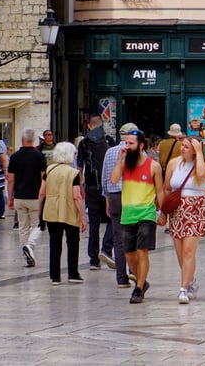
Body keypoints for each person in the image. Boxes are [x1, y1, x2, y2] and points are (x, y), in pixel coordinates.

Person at [109, 128, 164, 303]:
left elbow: (160, 191)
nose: (127, 146)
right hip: (127, 215)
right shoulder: (125, 164)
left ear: (141, 145)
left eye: (131, 143)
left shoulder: (153, 166)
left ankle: (138, 289)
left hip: (146, 214)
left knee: (142, 252)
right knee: (129, 255)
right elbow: (114, 180)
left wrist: (163, 213)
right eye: (126, 143)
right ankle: (142, 280)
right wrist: (119, 159)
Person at [166, 132, 205, 303]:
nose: (182, 149)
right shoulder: (173, 163)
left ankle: (183, 288)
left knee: (188, 251)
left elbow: (201, 174)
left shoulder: (202, 165)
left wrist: (200, 153)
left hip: (195, 209)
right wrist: (163, 212)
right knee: (179, 253)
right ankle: (191, 280)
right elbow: (166, 188)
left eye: (186, 147)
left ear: (194, 150)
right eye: (182, 145)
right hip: (177, 210)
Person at [38, 141, 86, 284]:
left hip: (51, 209)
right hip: (69, 210)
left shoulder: (49, 170)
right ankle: (73, 273)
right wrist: (83, 217)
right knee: (73, 242)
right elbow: (77, 196)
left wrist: (40, 211)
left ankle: (55, 276)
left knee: (54, 243)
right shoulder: (74, 173)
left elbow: (42, 193)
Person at [100, 123, 136, 287]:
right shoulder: (136, 152)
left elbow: (105, 178)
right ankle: (134, 273)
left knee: (118, 239)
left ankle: (121, 279)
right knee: (133, 236)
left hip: (114, 197)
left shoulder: (109, 151)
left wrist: (107, 199)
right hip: (132, 196)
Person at [7, 129, 47, 267]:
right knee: (37, 225)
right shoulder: (39, 156)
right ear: (33, 140)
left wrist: (10, 197)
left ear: (22, 140)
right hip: (35, 197)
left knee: (23, 227)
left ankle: (26, 254)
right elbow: (44, 177)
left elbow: (11, 179)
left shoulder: (14, 157)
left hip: (19, 196)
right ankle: (30, 246)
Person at [76, 113, 111, 273]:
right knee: (113, 218)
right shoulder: (109, 140)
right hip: (108, 186)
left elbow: (79, 168)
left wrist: (80, 186)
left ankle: (94, 260)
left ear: (89, 125)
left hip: (91, 186)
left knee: (94, 224)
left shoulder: (83, 143)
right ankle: (106, 249)